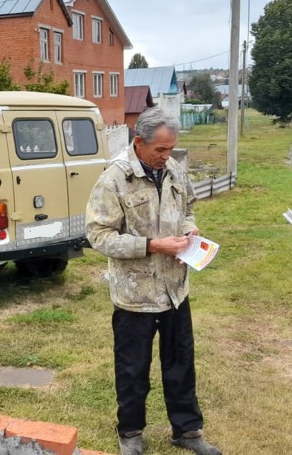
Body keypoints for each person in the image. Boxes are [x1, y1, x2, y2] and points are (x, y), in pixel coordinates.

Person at [86, 107, 221, 455]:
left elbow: (188, 209)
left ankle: (187, 432)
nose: (167, 156)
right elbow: (98, 236)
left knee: (181, 363)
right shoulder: (115, 178)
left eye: (171, 148)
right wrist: (151, 246)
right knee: (133, 369)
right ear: (139, 142)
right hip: (135, 296)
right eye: (160, 150)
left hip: (175, 290)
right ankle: (130, 434)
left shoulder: (174, 169)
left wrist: (190, 234)